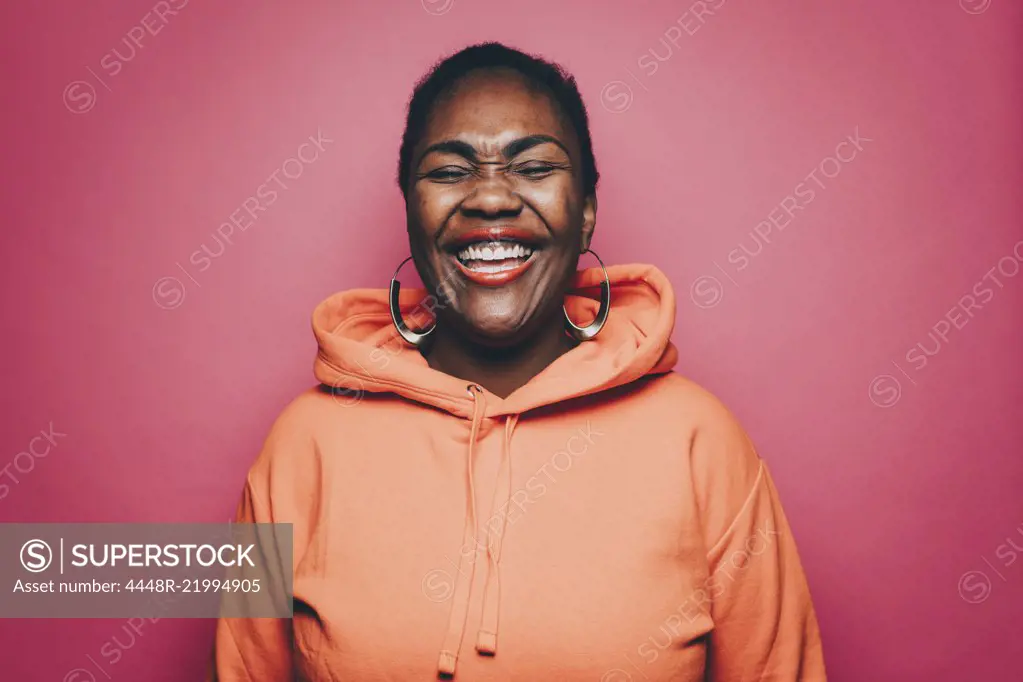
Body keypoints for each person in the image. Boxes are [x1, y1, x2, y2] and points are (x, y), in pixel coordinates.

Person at [207, 41, 827, 681]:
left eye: (534, 167)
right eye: (448, 172)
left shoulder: (702, 445)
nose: (492, 199)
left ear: (586, 211)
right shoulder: (303, 446)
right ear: (411, 213)